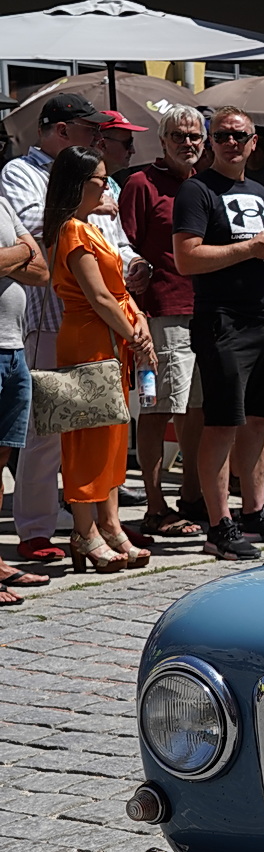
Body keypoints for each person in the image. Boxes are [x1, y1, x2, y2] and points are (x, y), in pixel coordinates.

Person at [172, 106, 264, 562]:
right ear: (210, 142)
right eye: (221, 135)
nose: (230, 143)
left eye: (239, 136)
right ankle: (218, 524)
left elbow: (262, 252)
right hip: (223, 319)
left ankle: (254, 511)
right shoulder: (196, 190)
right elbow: (187, 258)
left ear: (253, 142)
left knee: (261, 420)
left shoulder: (260, 191)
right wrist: (251, 248)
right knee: (223, 423)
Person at [2, 93, 115, 562]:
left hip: (98, 321)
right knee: (46, 432)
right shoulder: (19, 173)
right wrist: (82, 207)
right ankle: (35, 530)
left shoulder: (99, 176)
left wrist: (134, 263)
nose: (99, 138)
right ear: (63, 130)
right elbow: (36, 228)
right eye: (91, 129)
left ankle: (96, 525)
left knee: (96, 426)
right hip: (50, 319)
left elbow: (116, 237)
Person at [44, 146, 154, 572]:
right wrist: (135, 335)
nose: (107, 188)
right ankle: (84, 529)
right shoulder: (73, 230)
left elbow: (117, 292)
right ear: (78, 184)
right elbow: (100, 297)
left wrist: (137, 320)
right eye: (100, 181)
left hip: (110, 337)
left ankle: (109, 525)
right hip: (90, 340)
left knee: (111, 435)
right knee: (88, 438)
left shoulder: (91, 227)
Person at [119, 105, 207, 540]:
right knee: (158, 408)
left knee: (199, 409)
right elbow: (124, 245)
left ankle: (192, 495)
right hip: (162, 311)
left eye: (194, 136)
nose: (187, 143)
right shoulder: (141, 184)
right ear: (162, 140)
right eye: (178, 136)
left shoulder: (205, 183)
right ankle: (155, 506)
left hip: (208, 310)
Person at [0, 175, 49, 602]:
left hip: (13, 347)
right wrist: (21, 251)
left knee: (1, 462)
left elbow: (41, 270)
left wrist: (15, 256)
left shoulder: (2, 203)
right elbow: (29, 256)